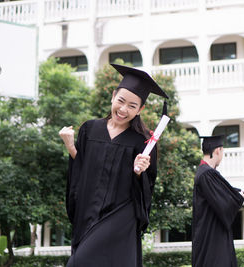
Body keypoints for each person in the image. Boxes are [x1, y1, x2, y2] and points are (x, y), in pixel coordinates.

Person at [59, 64, 168, 267]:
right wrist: (71, 146)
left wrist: (139, 172)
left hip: (119, 216)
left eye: (132, 106)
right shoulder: (90, 129)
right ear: (113, 96)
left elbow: (147, 187)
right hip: (88, 210)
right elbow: (82, 169)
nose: (124, 109)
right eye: (121, 101)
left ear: (140, 109)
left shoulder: (143, 141)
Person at [192, 135, 244, 267]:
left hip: (210, 233)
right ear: (217, 150)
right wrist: (240, 198)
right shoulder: (207, 173)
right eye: (222, 151)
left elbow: (225, 190)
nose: (222, 156)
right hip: (211, 236)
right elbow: (225, 201)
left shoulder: (206, 172)